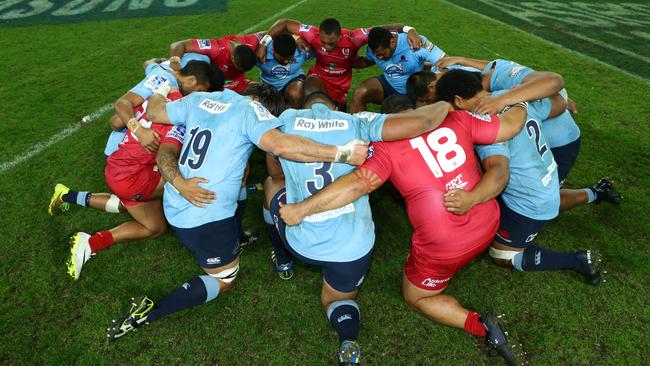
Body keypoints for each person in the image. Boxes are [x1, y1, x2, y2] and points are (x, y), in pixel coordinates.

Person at [278, 71, 532, 366]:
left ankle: (480, 325)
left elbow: (358, 184)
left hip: (446, 244)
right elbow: (511, 127)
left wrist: (303, 209)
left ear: (389, 123)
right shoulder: (456, 118)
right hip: (488, 221)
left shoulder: (385, 148)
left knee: (417, 296)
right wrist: (518, 99)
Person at [106, 83, 370, 341]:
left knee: (240, 178)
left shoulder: (201, 99)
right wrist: (340, 153)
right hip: (205, 216)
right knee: (224, 279)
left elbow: (153, 112)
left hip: (176, 200)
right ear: (264, 109)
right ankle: (150, 313)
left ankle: (237, 239)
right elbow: (281, 146)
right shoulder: (251, 112)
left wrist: (161, 90)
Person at [264, 91, 456, 365]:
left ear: (303, 108)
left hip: (303, 239)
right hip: (352, 246)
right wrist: (447, 101)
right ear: (335, 107)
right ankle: (347, 339)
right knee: (335, 299)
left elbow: (274, 171)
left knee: (273, 186)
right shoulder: (357, 122)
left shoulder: (286, 120)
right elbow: (423, 121)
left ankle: (283, 260)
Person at [49, 62, 223, 280]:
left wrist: (135, 125)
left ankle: (68, 195)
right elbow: (165, 157)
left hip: (121, 165)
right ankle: (90, 243)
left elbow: (116, 118)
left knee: (154, 223)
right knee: (187, 188)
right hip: (130, 176)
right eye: (201, 93)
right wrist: (181, 185)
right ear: (192, 82)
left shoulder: (162, 93)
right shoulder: (179, 112)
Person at [435, 56, 622, 208]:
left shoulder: (503, 85)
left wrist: (506, 100)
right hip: (535, 136)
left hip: (560, 142)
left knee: (545, 199)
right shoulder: (494, 76)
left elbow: (553, 82)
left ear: (458, 99)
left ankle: (596, 193)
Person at [257, 18, 422, 111]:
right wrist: (264, 43)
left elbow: (385, 28)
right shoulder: (312, 33)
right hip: (319, 76)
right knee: (309, 90)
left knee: (336, 114)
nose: (327, 47)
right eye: (323, 42)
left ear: (340, 36)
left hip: (340, 86)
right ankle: (302, 127)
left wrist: (410, 29)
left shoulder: (354, 37)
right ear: (319, 34)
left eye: (332, 43)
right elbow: (285, 23)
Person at [103, 59, 222, 157]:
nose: (197, 95)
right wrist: (138, 130)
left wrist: (159, 60)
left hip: (131, 152)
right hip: (123, 153)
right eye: (200, 90)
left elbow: (148, 64)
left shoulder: (165, 68)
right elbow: (122, 104)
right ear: (191, 80)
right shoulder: (164, 80)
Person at [349, 27, 445, 113]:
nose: (380, 57)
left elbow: (445, 62)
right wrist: (344, 61)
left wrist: (432, 78)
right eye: (377, 55)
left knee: (421, 118)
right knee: (360, 93)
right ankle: (355, 130)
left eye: (383, 53)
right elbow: (367, 61)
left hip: (416, 91)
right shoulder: (373, 49)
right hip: (389, 83)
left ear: (392, 42)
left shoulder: (415, 43)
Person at [169, 32, 264, 93]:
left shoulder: (251, 42)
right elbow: (178, 45)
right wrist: (175, 65)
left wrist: (263, 45)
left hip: (223, 82)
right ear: (233, 58)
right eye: (238, 68)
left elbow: (265, 33)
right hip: (208, 80)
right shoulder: (216, 49)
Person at [257, 33, 313, 108]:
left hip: (293, 79)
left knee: (295, 94)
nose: (286, 62)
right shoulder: (261, 53)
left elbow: (322, 51)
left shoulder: (302, 50)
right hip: (269, 86)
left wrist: (297, 37)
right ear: (273, 49)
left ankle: (299, 115)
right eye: (282, 59)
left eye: (289, 59)